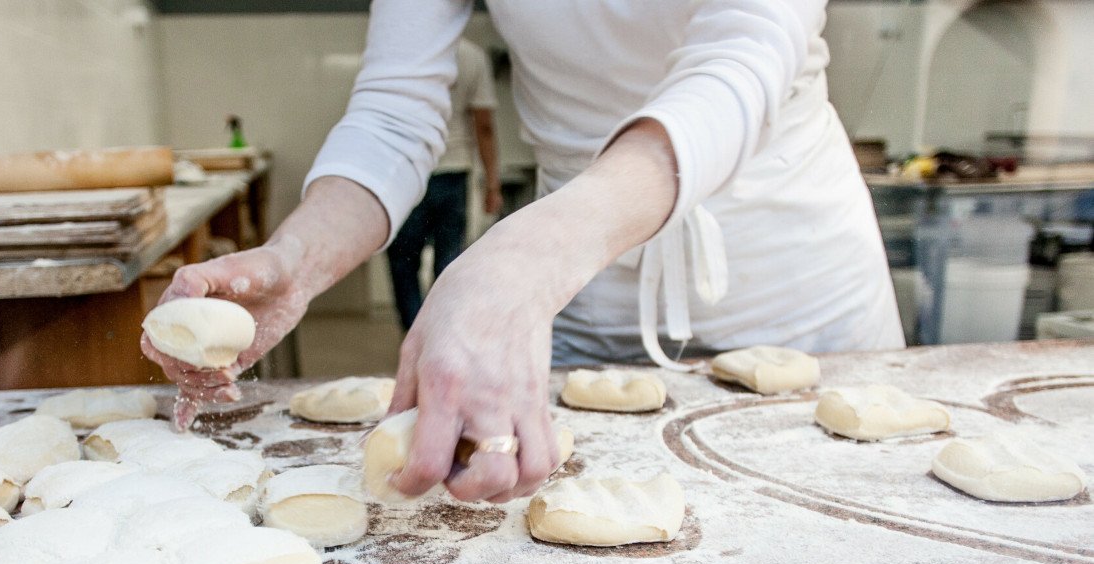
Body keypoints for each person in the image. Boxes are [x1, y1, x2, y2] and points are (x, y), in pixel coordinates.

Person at [144, 0, 904, 507]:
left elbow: (741, 66)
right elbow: (397, 107)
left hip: (794, 282)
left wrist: (525, 261)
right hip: (575, 298)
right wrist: (297, 259)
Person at [386, 37, 502, 330]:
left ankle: (413, 337)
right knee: (448, 265)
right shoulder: (471, 55)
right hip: (453, 176)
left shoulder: (402, 51)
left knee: (404, 264)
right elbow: (484, 127)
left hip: (408, 175)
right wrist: (493, 185)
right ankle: (442, 336)